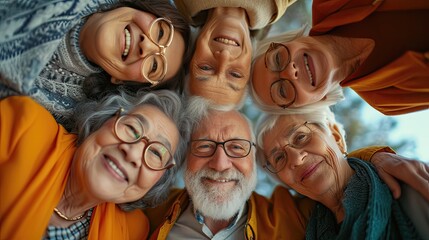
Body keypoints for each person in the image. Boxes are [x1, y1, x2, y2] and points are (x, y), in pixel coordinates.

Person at [144, 97, 429, 239]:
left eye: (237, 147)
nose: (294, 159)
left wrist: (375, 157)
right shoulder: (149, 213)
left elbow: (340, 173)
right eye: (204, 146)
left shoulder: (409, 187)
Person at [0, 89, 191, 239]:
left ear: (155, 184)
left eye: (156, 153)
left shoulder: (132, 232)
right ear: (100, 122)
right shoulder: (22, 128)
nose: (132, 153)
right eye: (132, 128)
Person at [0, 0, 191, 128]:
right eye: (160, 32)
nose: (146, 45)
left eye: (155, 67)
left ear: (120, 81)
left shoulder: (59, 122)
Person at [256, 107, 429, 239]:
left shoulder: (412, 182)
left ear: (336, 136)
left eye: (300, 137)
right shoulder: (305, 229)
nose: (295, 159)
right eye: (279, 158)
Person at [251, 0, 429, 115]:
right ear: (314, 102)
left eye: (277, 60)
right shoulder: (389, 101)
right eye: (282, 91)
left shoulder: (330, 2)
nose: (290, 72)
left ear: (291, 40)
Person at [174, 0, 297, 107]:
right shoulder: (276, 8)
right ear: (250, 63)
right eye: (235, 74)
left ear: (191, 52)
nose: (225, 55)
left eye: (205, 68)